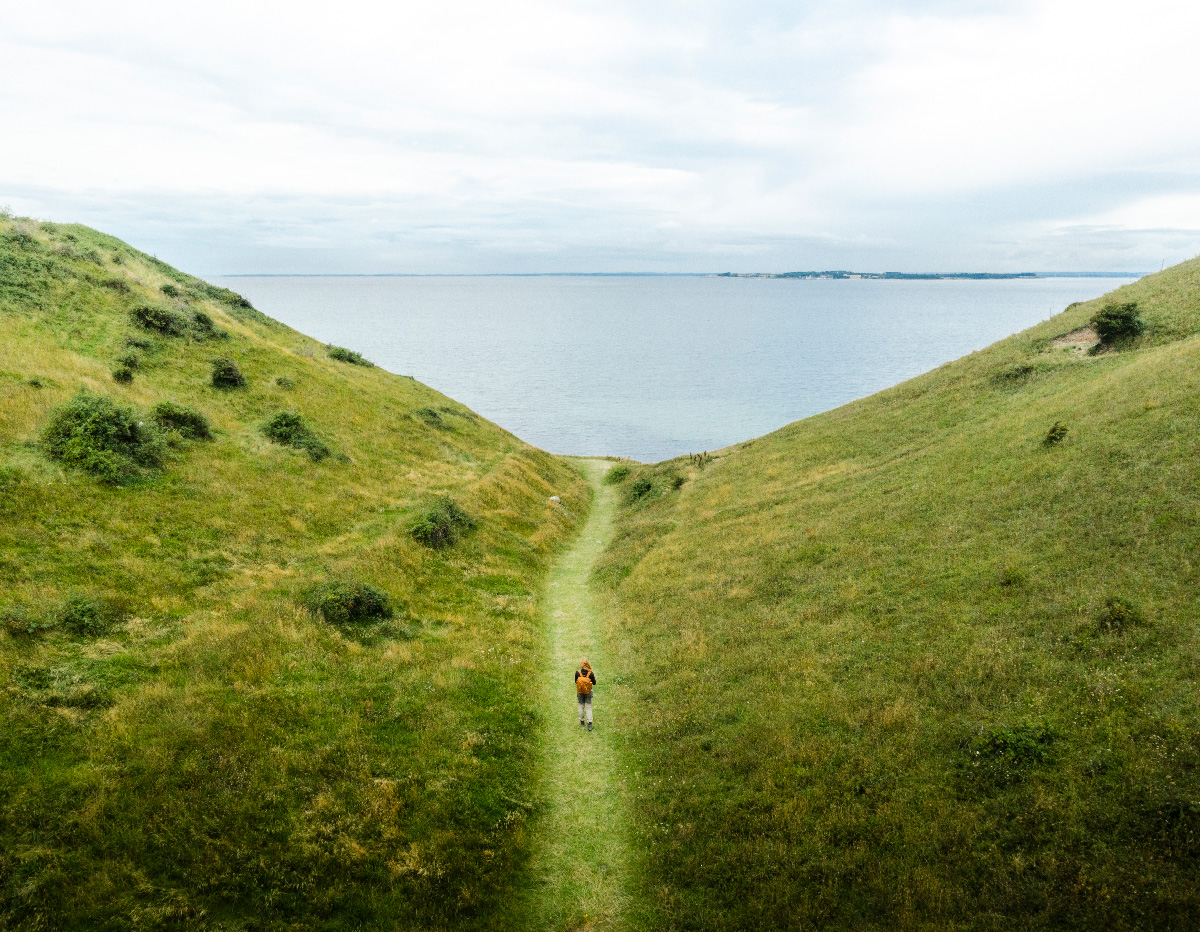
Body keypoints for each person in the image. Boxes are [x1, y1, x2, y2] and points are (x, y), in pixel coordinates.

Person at [575, 658, 596, 731]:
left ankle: (582, 722)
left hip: (580, 692)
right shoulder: (591, 673)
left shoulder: (577, 673)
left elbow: (576, 682)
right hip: (588, 692)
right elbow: (594, 683)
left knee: (581, 706)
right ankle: (589, 723)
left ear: (581, 664)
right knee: (588, 707)